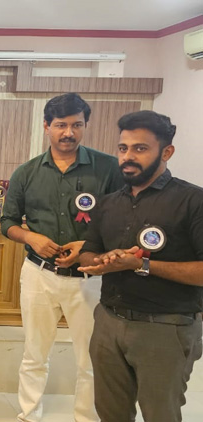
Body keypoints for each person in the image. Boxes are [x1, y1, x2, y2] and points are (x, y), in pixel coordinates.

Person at [0, 93, 123, 422]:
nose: (69, 133)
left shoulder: (108, 168)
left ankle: (86, 417)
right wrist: (31, 237)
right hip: (39, 275)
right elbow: (7, 222)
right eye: (60, 125)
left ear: (85, 125)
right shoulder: (26, 172)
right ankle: (29, 415)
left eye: (76, 125)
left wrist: (88, 244)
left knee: (90, 359)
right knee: (34, 354)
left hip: (90, 278)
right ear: (46, 126)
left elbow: (123, 219)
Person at [78, 110, 203, 422]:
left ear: (167, 152)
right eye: (123, 148)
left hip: (165, 328)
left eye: (140, 148)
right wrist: (105, 262)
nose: (128, 157)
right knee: (110, 413)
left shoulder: (193, 201)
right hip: (108, 323)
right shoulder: (108, 203)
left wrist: (141, 264)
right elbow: (88, 254)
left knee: (160, 414)